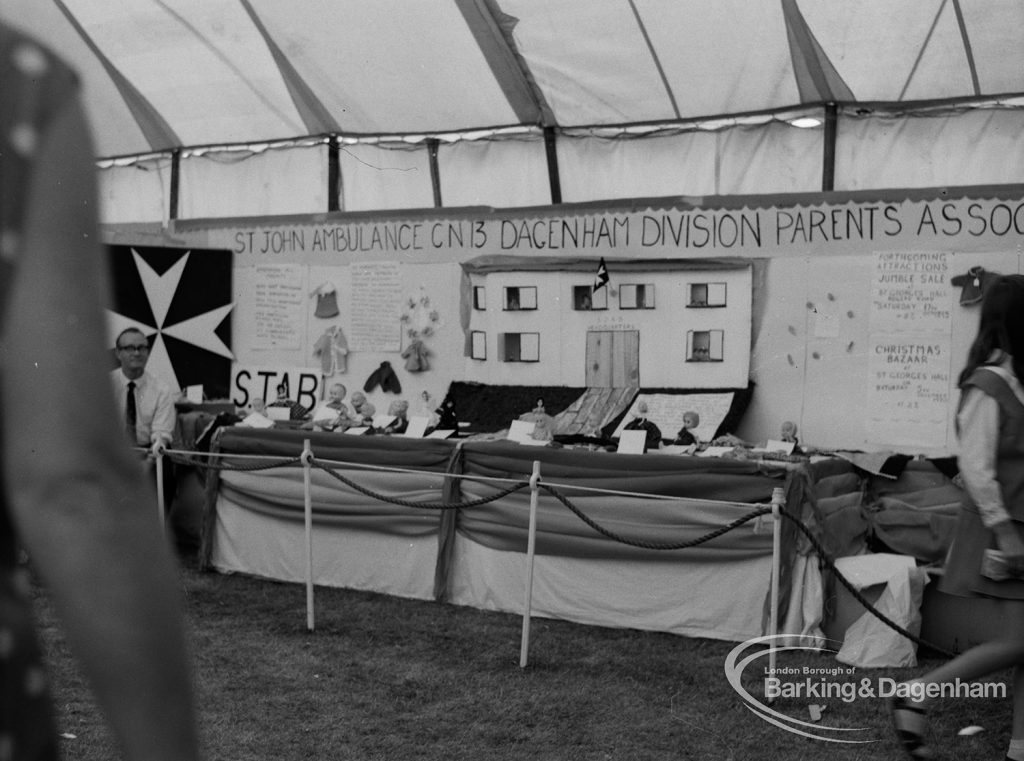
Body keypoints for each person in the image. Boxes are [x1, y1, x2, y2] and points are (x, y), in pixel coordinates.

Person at [0, 21, 200, 761]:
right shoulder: (18, 88)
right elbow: (73, 479)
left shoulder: (155, 382)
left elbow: (156, 426)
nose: (135, 351)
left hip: (156, 458)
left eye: (141, 344)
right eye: (129, 344)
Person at [890, 275, 1024, 761]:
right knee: (1021, 640)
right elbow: (977, 467)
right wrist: (1007, 532)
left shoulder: (1013, 381)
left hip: (1012, 526)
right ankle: (918, 693)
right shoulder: (989, 384)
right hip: (1000, 529)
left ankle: (1019, 748)